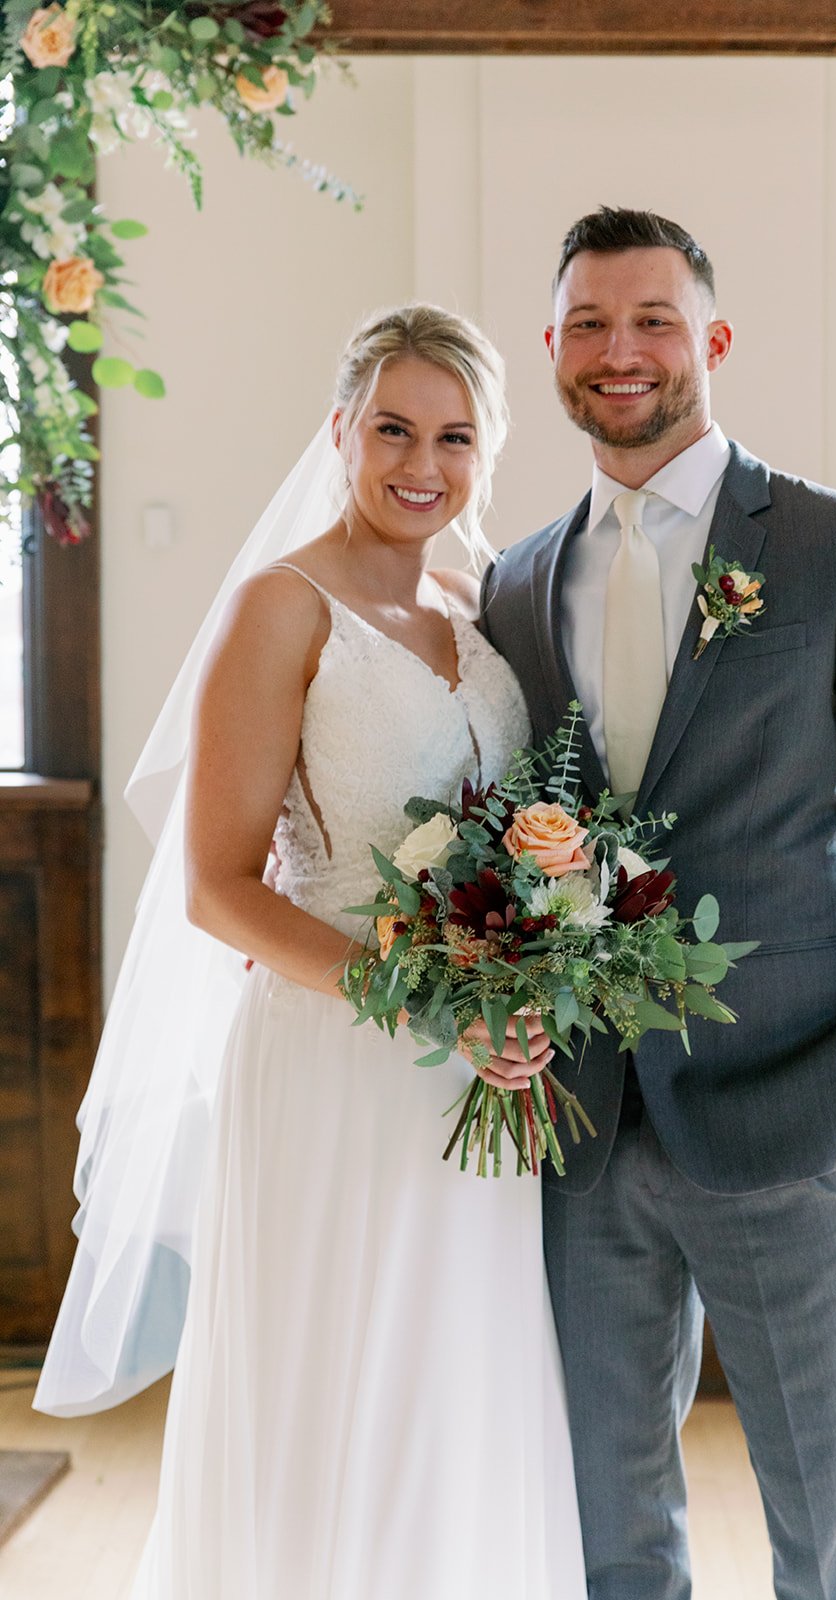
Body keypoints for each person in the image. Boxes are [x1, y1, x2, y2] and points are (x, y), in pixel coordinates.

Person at [479, 208, 836, 1600]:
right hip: (583, 1128)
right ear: (553, 352)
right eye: (589, 323)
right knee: (610, 1527)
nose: (620, 349)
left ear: (710, 339)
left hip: (791, 1108)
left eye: (651, 319)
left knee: (824, 1529)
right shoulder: (516, 581)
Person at [35, 305, 586, 1599]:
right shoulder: (282, 609)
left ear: (488, 452)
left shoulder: (477, 603)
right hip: (336, 1059)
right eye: (392, 427)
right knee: (337, 1377)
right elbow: (216, 889)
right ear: (340, 430)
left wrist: (524, 986)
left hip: (473, 1080)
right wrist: (426, 1002)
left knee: (458, 1383)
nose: (421, 462)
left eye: (455, 436)